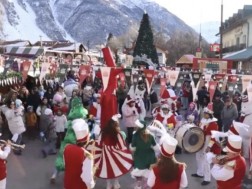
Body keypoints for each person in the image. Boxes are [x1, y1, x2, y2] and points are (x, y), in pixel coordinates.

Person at [95, 114, 133, 189]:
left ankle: (108, 185)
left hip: (105, 152)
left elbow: (99, 142)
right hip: (115, 152)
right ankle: (116, 184)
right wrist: (124, 152)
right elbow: (121, 145)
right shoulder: (117, 133)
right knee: (116, 167)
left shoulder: (103, 132)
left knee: (107, 167)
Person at [191, 103, 221, 186]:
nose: (204, 115)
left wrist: (209, 146)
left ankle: (207, 178)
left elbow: (213, 137)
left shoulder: (213, 123)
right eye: (204, 113)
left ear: (210, 115)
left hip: (208, 142)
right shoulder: (203, 120)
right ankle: (200, 173)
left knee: (206, 161)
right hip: (201, 141)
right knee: (198, 157)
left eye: (206, 114)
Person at [64, 119, 95, 189]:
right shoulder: (87, 155)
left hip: (68, 184)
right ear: (87, 138)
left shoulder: (67, 148)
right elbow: (87, 178)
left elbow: (66, 165)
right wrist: (91, 185)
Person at [131, 120, 158, 189]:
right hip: (149, 156)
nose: (135, 127)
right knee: (147, 172)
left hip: (139, 156)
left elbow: (133, 148)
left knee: (138, 172)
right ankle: (146, 186)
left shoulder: (135, 135)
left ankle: (138, 185)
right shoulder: (150, 135)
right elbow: (156, 147)